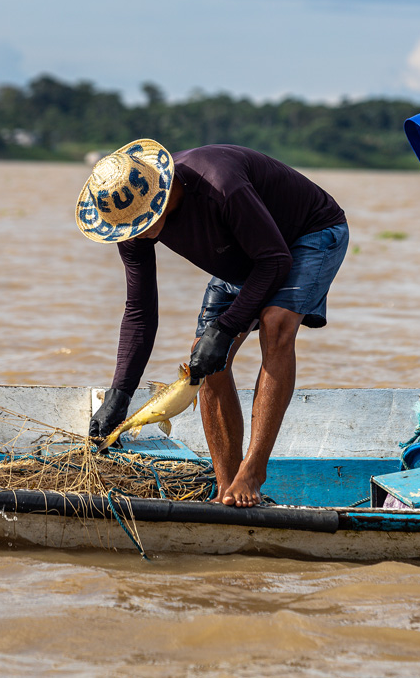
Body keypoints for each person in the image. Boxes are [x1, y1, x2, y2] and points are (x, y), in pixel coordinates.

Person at [78, 139, 348, 507]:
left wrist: (225, 328)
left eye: (142, 222)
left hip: (307, 235)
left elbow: (274, 261)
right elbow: (140, 311)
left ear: (163, 192)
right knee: (203, 358)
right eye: (128, 228)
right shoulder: (130, 224)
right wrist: (120, 394)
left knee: (276, 323)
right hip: (242, 257)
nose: (136, 233)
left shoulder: (220, 184)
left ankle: (252, 473)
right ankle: (226, 487)